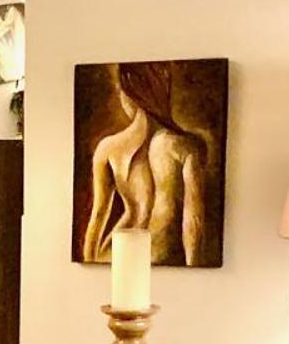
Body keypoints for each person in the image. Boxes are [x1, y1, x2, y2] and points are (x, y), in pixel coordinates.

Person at [81, 62, 207, 266]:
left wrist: (89, 265)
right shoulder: (184, 147)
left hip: (114, 253)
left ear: (128, 94)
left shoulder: (108, 148)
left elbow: (97, 218)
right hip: (158, 252)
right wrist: (194, 267)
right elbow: (193, 222)